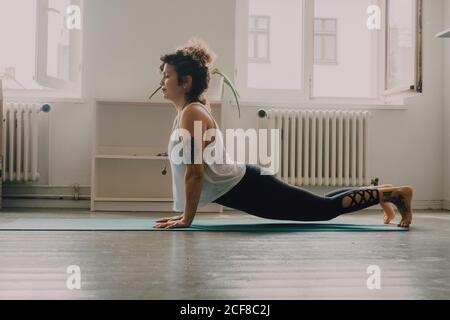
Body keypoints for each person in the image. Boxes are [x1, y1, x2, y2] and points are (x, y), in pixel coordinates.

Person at [153, 38, 413, 229]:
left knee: (325, 210)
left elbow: (195, 173)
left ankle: (395, 194)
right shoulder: (188, 112)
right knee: (320, 204)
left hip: (248, 186)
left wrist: (187, 219)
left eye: (167, 76)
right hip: (246, 185)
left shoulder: (192, 114)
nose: (161, 82)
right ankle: (383, 191)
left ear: (185, 81)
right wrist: (186, 216)